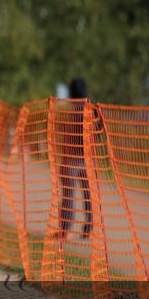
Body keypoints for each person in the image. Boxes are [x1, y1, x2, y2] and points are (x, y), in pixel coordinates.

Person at [57, 77, 92, 239]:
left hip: (72, 159)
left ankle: (65, 229)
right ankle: (88, 226)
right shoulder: (89, 109)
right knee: (88, 194)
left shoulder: (74, 110)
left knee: (69, 194)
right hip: (86, 159)